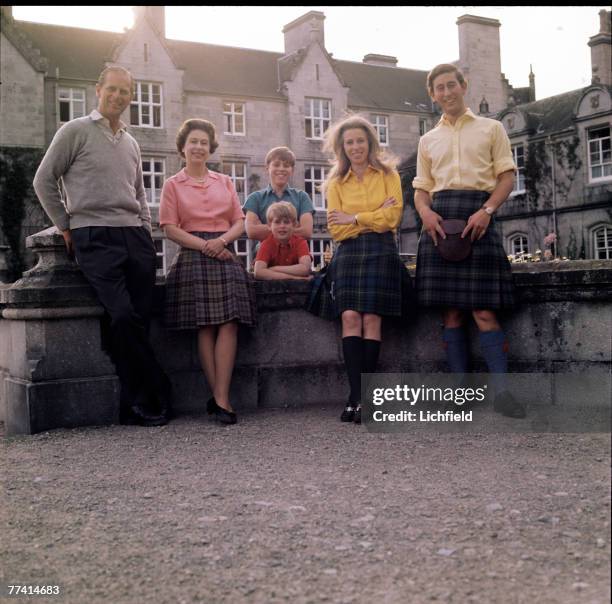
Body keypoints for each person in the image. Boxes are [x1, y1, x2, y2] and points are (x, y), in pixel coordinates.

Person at [33, 65, 171, 427]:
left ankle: (133, 404)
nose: (118, 97)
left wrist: (144, 226)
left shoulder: (131, 140)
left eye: (125, 91)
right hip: (93, 234)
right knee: (122, 316)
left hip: (135, 236)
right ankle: (155, 389)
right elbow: (43, 180)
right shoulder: (74, 131)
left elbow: (139, 193)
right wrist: (65, 226)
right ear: (98, 90)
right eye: (112, 89)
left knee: (139, 318)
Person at [412, 63, 525, 419]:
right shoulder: (427, 140)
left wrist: (487, 210)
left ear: (464, 86)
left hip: (478, 217)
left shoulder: (492, 128)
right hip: (441, 222)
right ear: (432, 95)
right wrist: (426, 214)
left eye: (451, 86)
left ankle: (503, 393)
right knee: (451, 313)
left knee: (483, 311)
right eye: (439, 89)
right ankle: (460, 394)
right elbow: (421, 189)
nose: (446, 93)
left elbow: (506, 176)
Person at [160, 118, 256, 425]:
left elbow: (239, 221)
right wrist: (205, 246)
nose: (199, 147)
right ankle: (221, 400)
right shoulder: (172, 185)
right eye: (193, 142)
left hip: (224, 250)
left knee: (229, 323)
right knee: (205, 326)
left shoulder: (224, 182)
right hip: (193, 254)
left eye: (204, 142)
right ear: (183, 148)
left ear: (210, 148)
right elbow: (170, 229)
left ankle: (220, 397)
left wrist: (222, 241)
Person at [318, 114, 409, 424]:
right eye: (349, 142)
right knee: (349, 316)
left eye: (360, 140)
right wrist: (373, 216)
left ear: (370, 142)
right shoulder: (335, 182)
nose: (355, 146)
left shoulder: (388, 174)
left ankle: (364, 399)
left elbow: (393, 219)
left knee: (372, 318)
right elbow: (336, 231)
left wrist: (355, 218)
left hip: (382, 250)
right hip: (349, 254)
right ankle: (355, 396)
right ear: (342, 148)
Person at [244, 147, 314, 247]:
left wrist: (265, 227)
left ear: (292, 170)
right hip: (265, 258)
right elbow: (251, 231)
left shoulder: (302, 197)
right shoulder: (255, 198)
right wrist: (293, 227)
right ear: (267, 168)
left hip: (296, 257)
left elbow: (306, 232)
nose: (281, 169)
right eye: (276, 165)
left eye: (286, 166)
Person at [253, 202, 313, 281]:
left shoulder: (300, 242)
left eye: (286, 222)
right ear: (269, 226)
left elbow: (305, 269)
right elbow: (258, 272)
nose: (282, 226)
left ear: (294, 225)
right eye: (277, 222)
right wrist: (294, 278)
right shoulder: (266, 244)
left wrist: (274, 269)